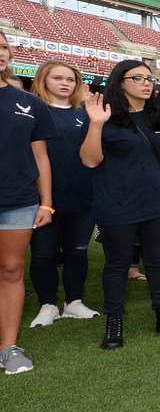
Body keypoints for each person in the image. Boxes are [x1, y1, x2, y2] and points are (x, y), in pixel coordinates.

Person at [79, 60, 160, 350]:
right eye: (137, 77)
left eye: (149, 78)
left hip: (157, 201)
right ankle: (114, 321)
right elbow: (90, 160)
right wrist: (96, 125)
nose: (146, 82)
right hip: (117, 202)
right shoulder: (104, 116)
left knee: (157, 261)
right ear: (120, 82)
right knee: (117, 263)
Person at [27, 61, 100, 327]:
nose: (65, 83)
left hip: (82, 195)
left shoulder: (85, 114)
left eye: (70, 79)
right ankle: (48, 304)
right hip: (43, 199)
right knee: (43, 254)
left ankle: (74, 302)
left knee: (77, 251)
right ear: (43, 80)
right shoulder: (34, 111)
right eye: (57, 77)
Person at [0, 33, 55, 374]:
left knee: (10, 270)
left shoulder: (29, 103)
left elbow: (41, 157)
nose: (0, 52)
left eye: (3, 46)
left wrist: (46, 202)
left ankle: (8, 346)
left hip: (18, 200)